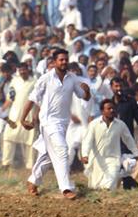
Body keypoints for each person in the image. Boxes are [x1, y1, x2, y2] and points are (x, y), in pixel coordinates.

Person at [19, 48, 91, 199]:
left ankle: (33, 181)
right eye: (61, 60)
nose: (64, 62)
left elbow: (83, 96)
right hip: (48, 122)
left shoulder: (72, 78)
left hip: (63, 123)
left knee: (48, 155)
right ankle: (66, 188)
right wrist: (23, 118)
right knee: (62, 149)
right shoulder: (46, 78)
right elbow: (32, 99)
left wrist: (87, 91)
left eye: (66, 59)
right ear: (54, 62)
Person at [81, 100, 138, 191]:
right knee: (95, 186)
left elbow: (128, 139)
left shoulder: (120, 124)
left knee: (111, 178)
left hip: (113, 158)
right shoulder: (94, 124)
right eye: (109, 108)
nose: (112, 110)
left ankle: (107, 191)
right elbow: (87, 141)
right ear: (102, 111)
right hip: (97, 159)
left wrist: (136, 153)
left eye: (113, 108)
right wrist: (85, 155)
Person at [1, 62, 37, 169]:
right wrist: (1, 110)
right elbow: (10, 98)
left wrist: (36, 116)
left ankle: (30, 165)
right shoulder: (14, 81)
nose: (22, 72)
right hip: (14, 114)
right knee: (8, 137)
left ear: (28, 69)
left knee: (29, 141)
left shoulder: (35, 82)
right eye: (20, 70)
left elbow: (38, 100)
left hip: (28, 115)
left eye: (24, 69)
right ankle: (6, 163)